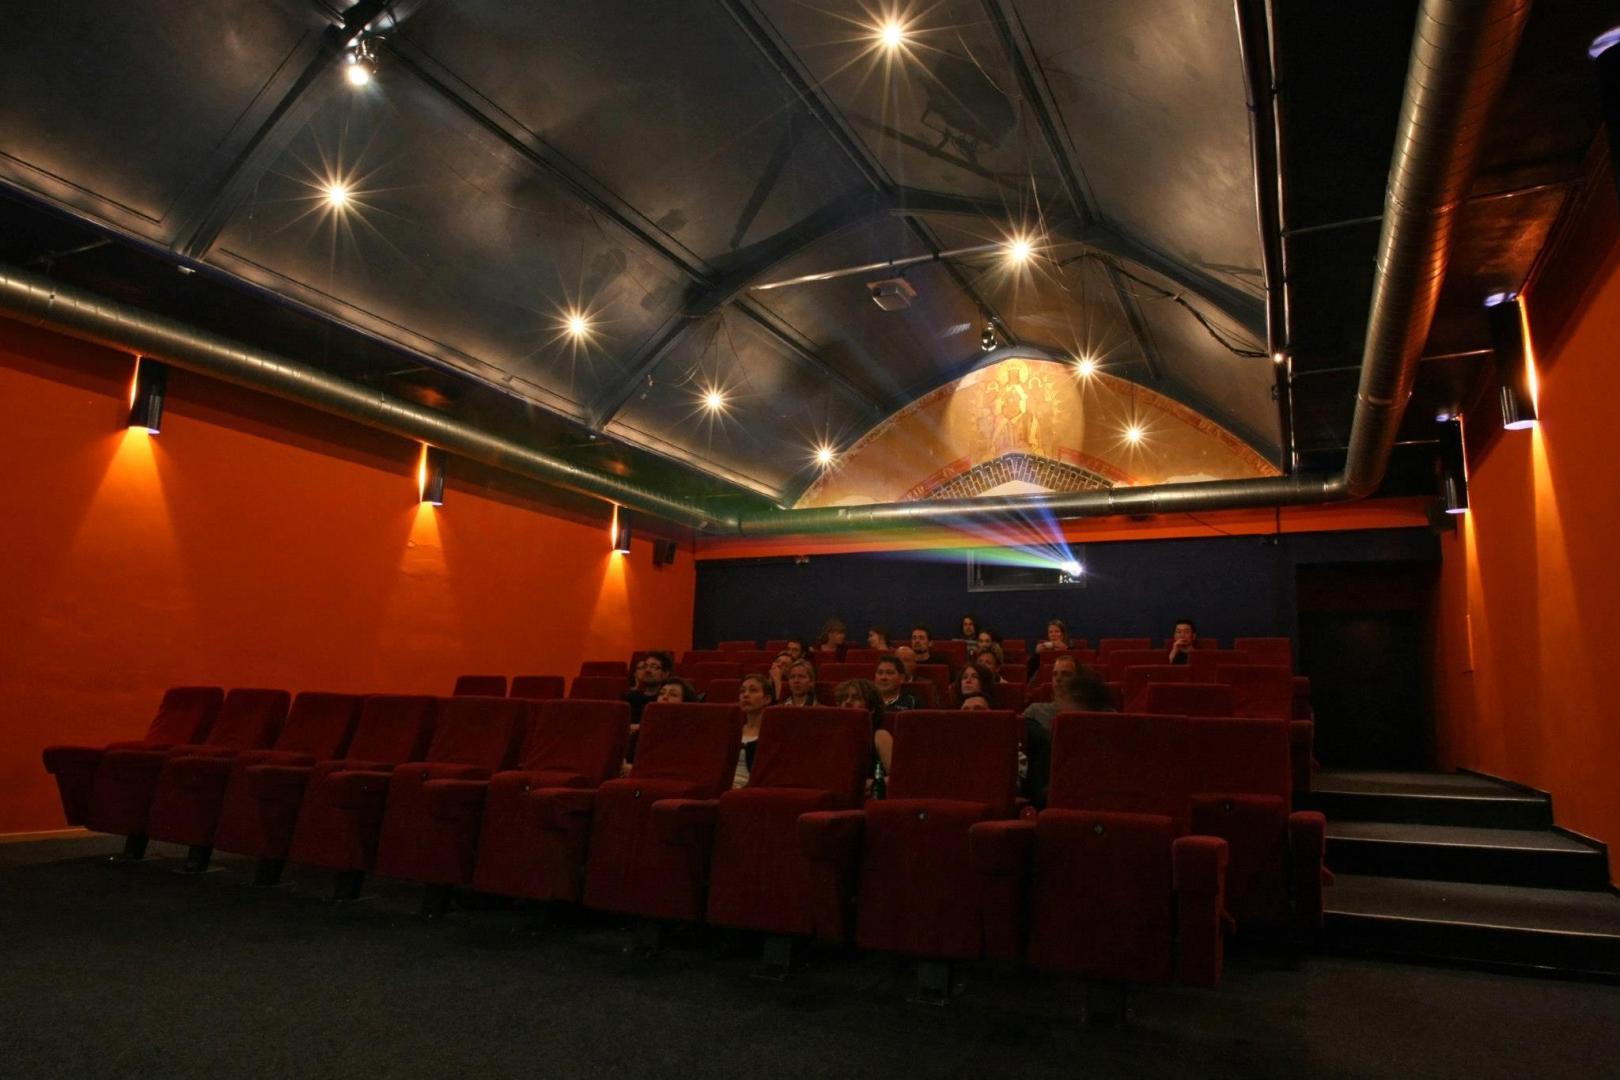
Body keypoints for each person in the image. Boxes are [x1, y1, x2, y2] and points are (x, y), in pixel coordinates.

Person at [1021, 669, 1112, 807]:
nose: (1059, 679)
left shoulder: (1104, 743)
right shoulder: (1047, 742)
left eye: (1066, 674)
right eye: (1054, 674)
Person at [733, 674, 770, 788]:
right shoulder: (732, 731)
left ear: (767, 699)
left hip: (753, 789)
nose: (746, 695)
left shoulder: (771, 734)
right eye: (742, 691)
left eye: (753, 690)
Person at [625, 651, 673, 725]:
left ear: (665, 674)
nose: (647, 670)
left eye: (653, 667)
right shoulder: (629, 697)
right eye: (645, 666)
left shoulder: (666, 700)